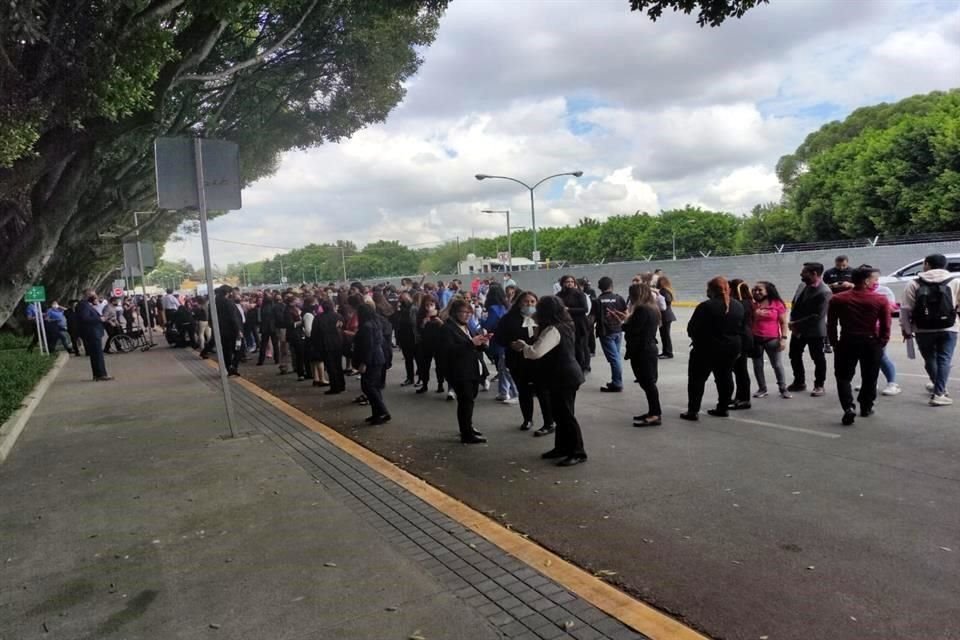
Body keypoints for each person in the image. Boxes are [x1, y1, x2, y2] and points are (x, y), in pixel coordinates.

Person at [511, 296, 587, 466]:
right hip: (564, 375)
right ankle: (561, 447)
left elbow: (536, 352)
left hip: (562, 376)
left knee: (566, 415)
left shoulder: (553, 330)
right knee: (560, 414)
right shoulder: (566, 325)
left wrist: (523, 346)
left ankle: (577, 451)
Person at [827, 265, 891, 425]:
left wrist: (834, 342)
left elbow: (831, 324)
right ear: (866, 280)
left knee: (843, 377)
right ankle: (866, 406)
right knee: (870, 376)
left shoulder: (838, 298)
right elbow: (886, 324)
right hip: (870, 341)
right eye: (874, 279)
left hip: (847, 340)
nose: (875, 282)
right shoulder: (880, 299)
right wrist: (882, 341)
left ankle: (848, 407)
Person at [900, 253, 960, 406]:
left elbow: (906, 310)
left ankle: (939, 388)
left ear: (926, 264)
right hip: (949, 327)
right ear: (945, 264)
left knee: (930, 359)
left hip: (922, 328)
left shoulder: (913, 283)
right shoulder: (955, 282)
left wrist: (906, 330)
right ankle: (939, 392)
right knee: (944, 359)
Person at [681, 277, 744, 420]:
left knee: (697, 380)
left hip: (706, 349)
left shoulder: (705, 306)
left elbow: (692, 328)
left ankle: (693, 411)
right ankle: (723, 407)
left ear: (712, 290)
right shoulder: (738, 306)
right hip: (731, 348)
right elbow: (742, 328)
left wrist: (697, 339)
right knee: (725, 378)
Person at [494, 291, 555, 434]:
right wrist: (510, 344)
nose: (529, 304)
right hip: (518, 360)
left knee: (543, 391)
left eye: (533, 302)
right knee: (524, 391)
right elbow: (498, 337)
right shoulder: (508, 319)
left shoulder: (543, 318)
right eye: (526, 302)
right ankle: (527, 419)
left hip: (540, 360)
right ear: (519, 303)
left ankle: (549, 422)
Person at [442, 299, 489, 444]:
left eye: (469, 312)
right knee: (465, 401)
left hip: (472, 368)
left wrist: (482, 342)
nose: (467, 315)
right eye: (464, 312)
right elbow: (449, 351)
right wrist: (471, 343)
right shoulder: (447, 328)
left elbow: (473, 346)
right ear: (455, 312)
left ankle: (468, 426)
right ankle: (466, 433)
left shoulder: (467, 326)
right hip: (459, 371)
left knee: (470, 400)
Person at [620, 284, 662, 427]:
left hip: (642, 351)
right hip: (648, 349)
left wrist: (624, 323)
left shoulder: (642, 309)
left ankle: (655, 414)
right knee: (648, 383)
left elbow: (634, 330)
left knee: (648, 384)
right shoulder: (652, 308)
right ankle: (653, 412)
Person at [788, 262, 831, 397]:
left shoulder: (825, 292)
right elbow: (795, 305)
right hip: (797, 329)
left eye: (804, 272)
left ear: (814, 274)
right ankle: (799, 382)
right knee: (794, 355)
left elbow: (818, 316)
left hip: (814, 332)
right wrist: (794, 324)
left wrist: (795, 324)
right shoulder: (802, 285)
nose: (801, 274)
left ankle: (819, 385)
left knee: (817, 358)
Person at [750, 281, 791, 399]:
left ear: (767, 291)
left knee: (777, 365)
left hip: (772, 339)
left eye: (759, 290)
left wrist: (783, 339)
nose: (756, 292)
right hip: (755, 339)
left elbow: (783, 323)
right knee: (757, 365)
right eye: (754, 290)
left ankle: (783, 388)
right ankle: (762, 389)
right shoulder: (751, 304)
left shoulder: (777, 304)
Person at [353, 303, 390, 424]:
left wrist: (364, 363)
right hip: (378, 358)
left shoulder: (366, 327)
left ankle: (382, 410)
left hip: (371, 359)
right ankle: (377, 414)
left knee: (368, 386)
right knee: (374, 386)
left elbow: (368, 346)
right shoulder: (376, 323)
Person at [482, 284, 517, 404]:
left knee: (504, 367)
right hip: (508, 338)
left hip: (498, 339)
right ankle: (503, 392)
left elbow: (488, 324)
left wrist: (481, 321)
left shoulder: (493, 308)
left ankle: (515, 393)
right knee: (503, 367)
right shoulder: (507, 306)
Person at [595, 276, 627, 392]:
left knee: (614, 359)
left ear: (599, 287)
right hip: (618, 330)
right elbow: (625, 313)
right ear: (611, 286)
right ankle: (616, 380)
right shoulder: (618, 298)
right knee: (616, 357)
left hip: (605, 332)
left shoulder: (598, 301)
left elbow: (593, 317)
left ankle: (617, 383)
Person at [728, 279, 755, 410]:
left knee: (741, 371)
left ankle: (744, 399)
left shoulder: (740, 304)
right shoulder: (748, 302)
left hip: (741, 339)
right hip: (745, 337)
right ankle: (741, 397)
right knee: (740, 370)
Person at [556, 275, 590, 372]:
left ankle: (583, 366)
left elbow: (585, 309)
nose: (569, 283)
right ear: (562, 283)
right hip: (565, 324)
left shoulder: (579, 294)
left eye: (571, 281)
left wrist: (569, 309)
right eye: (567, 281)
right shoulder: (559, 295)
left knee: (580, 346)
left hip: (579, 323)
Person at [76, 289, 111, 381]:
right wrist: (100, 319)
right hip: (92, 333)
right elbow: (85, 318)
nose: (95, 297)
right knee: (98, 354)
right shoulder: (83, 305)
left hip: (94, 332)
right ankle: (101, 374)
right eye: (93, 295)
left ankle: (98, 374)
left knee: (96, 354)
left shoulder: (86, 305)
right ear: (88, 295)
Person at [313, 299, 345, 394]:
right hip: (338, 343)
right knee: (338, 365)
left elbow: (314, 333)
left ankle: (335, 387)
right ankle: (341, 384)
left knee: (331, 367)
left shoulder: (318, 318)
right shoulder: (338, 316)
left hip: (325, 345)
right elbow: (342, 328)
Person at [414, 296, 446, 394]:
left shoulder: (440, 314)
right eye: (427, 305)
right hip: (426, 343)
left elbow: (446, 329)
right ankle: (424, 384)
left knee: (440, 365)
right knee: (424, 365)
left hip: (439, 343)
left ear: (435, 304)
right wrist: (423, 323)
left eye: (431, 304)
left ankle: (440, 384)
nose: (429, 307)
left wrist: (440, 323)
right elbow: (418, 330)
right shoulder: (421, 315)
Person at [214, 285, 243, 376]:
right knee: (239, 348)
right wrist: (238, 330)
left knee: (226, 350)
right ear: (228, 293)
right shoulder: (228, 302)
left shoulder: (214, 302)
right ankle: (233, 366)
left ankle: (228, 367)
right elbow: (233, 317)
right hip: (233, 331)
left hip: (221, 330)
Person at [394, 291, 418, 386]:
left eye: (404, 297)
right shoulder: (400, 307)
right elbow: (397, 321)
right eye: (401, 297)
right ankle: (410, 378)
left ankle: (421, 378)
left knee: (418, 358)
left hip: (413, 336)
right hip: (404, 336)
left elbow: (414, 322)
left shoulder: (413, 307)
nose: (403, 299)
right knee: (408, 359)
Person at [656, 276, 677, 359]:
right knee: (664, 335)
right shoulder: (667, 290)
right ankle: (666, 352)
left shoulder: (663, 291)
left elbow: (667, 300)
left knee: (665, 335)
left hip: (665, 316)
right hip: (666, 316)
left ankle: (668, 352)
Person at [257, 295, 279, 366]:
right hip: (273, 327)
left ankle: (261, 360)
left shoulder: (261, 308)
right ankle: (277, 359)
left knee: (263, 345)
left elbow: (259, 319)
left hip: (264, 328)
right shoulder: (274, 307)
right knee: (275, 344)